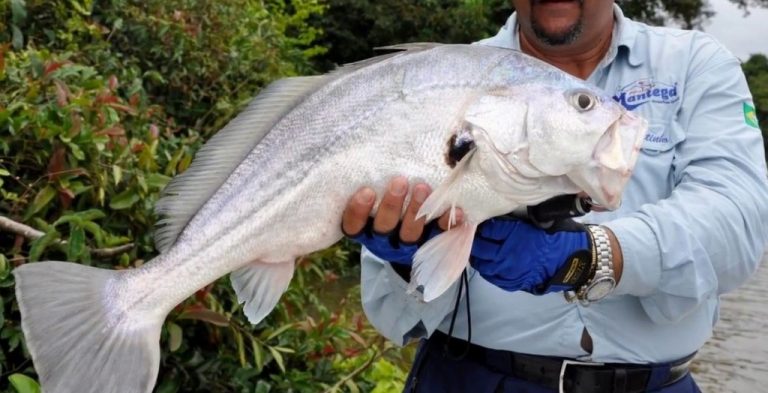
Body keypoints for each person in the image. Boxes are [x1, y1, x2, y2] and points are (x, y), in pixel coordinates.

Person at [341, 1, 768, 392]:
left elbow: (738, 221)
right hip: (469, 376)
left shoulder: (696, 64)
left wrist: (594, 256)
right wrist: (404, 261)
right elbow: (394, 316)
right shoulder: (439, 75)